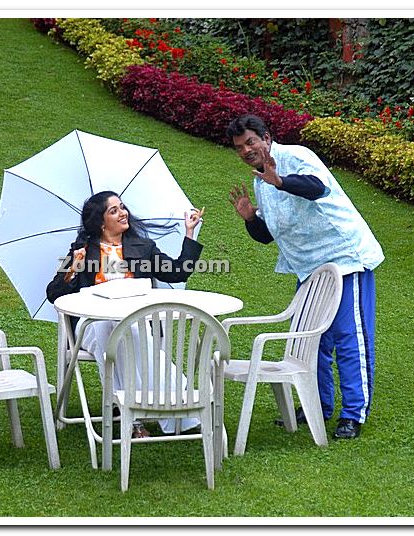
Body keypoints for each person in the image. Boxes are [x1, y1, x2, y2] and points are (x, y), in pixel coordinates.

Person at [226, 114, 384, 440]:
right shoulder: (261, 179)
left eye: (251, 142)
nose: (246, 150)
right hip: (307, 267)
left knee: (349, 337)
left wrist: (280, 181)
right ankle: (319, 405)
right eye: (240, 147)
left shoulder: (295, 156)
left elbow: (317, 188)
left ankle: (353, 413)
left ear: (266, 138)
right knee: (311, 340)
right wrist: (249, 218)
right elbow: (267, 235)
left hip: (344, 257)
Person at [46, 190, 204, 438]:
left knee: (122, 330)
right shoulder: (83, 250)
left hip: (135, 325)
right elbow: (54, 294)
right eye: (114, 210)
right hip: (91, 326)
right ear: (100, 221)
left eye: (122, 207)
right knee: (106, 326)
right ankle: (176, 395)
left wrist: (189, 232)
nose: (123, 213)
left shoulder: (143, 247)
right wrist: (72, 270)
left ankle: (132, 417)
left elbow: (178, 273)